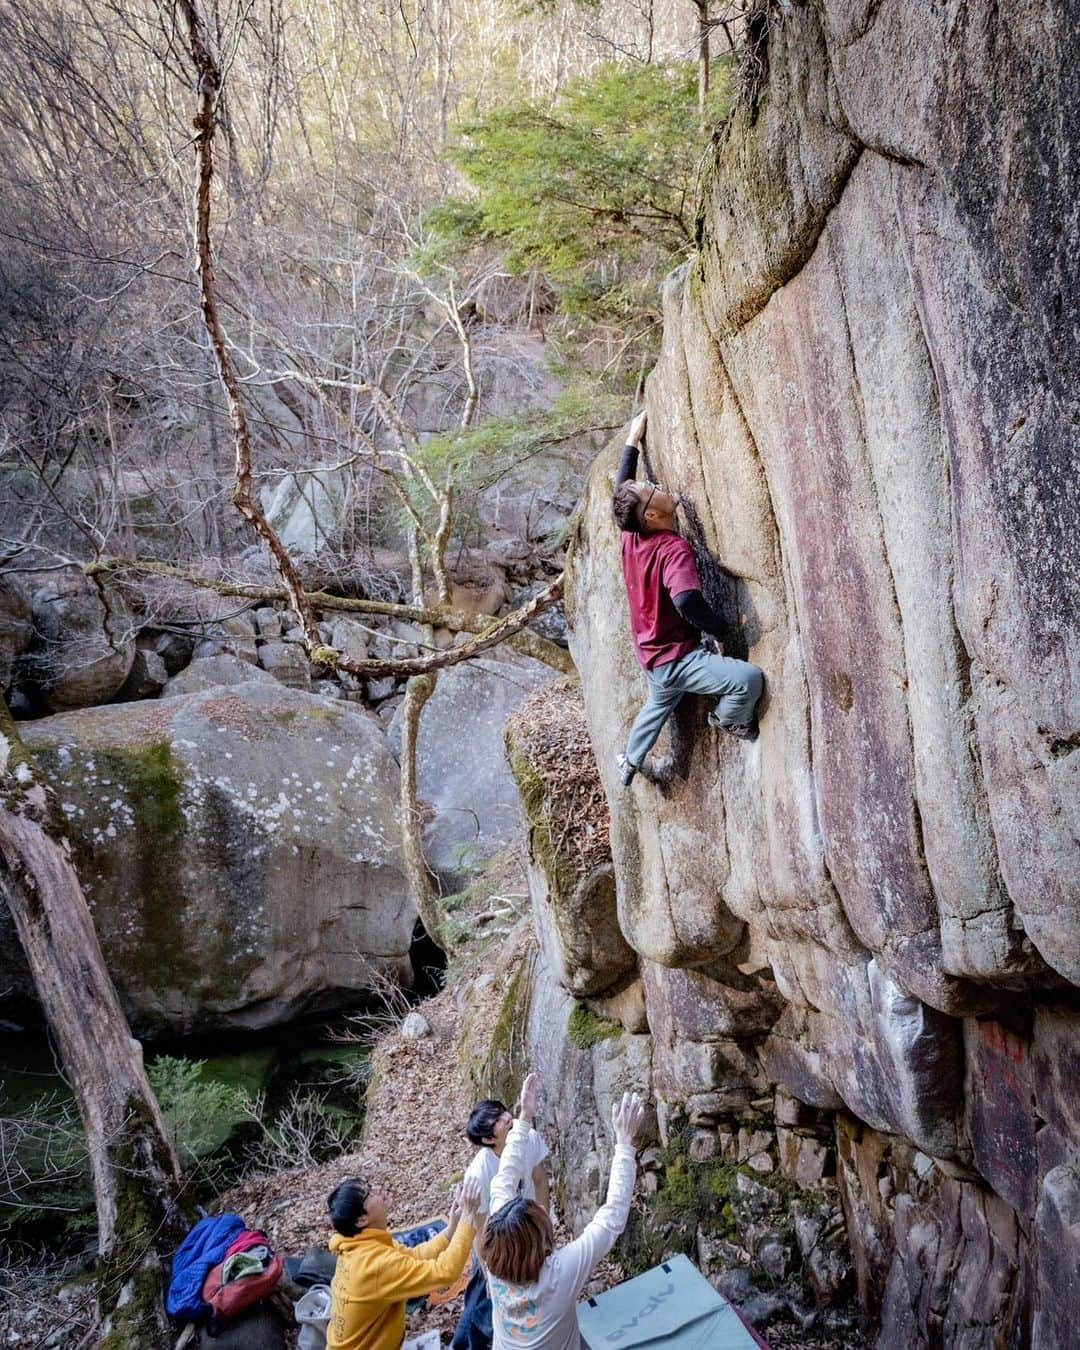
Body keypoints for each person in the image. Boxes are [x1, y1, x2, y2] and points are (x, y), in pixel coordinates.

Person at [611, 410, 764, 785]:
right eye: (652, 490)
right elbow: (686, 601)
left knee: (658, 704)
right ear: (651, 515)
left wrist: (633, 441)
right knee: (748, 680)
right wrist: (723, 630)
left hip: (650, 653)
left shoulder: (632, 536)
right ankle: (727, 719)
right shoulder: (671, 548)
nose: (657, 484)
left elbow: (623, 486)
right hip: (676, 658)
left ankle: (629, 762)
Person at [479, 1072, 645, 1350]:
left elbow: (504, 1178)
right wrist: (625, 1143)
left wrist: (525, 1117)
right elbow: (612, 1217)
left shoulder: (495, 1257)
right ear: (540, 1241)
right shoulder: (558, 1275)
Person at [326, 1172, 483, 1350]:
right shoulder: (373, 1265)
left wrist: (452, 1228)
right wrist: (468, 1220)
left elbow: (413, 1256)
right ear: (362, 1220)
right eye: (369, 1193)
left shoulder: (364, 1243)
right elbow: (444, 1272)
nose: (378, 1188)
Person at [452, 1098, 551, 1350]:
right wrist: (489, 1272)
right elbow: (479, 1229)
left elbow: (540, 1180)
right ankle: (464, 1344)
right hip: (493, 1244)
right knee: (482, 1303)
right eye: (497, 1121)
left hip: (525, 1230)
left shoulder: (525, 1136)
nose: (508, 1118)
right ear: (488, 1140)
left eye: (502, 1113)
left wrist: (544, 1227)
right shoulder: (479, 1173)